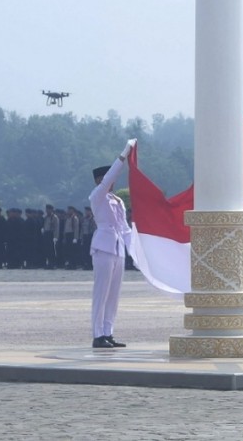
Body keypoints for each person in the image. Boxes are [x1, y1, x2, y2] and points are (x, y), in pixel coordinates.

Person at [89, 139, 136, 349]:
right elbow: (110, 177)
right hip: (103, 248)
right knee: (101, 292)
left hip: (117, 250)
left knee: (114, 294)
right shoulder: (97, 196)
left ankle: (108, 332)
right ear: (100, 180)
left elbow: (125, 229)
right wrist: (123, 155)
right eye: (105, 179)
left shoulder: (118, 201)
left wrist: (135, 251)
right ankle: (97, 334)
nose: (111, 183)